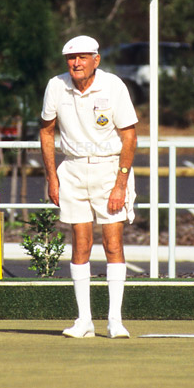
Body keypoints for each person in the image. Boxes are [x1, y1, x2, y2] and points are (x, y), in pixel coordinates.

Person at [40, 35, 138, 338]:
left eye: (83, 57)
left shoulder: (113, 86)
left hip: (109, 169)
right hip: (72, 168)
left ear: (96, 59)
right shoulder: (56, 86)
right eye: (71, 58)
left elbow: (130, 137)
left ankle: (114, 321)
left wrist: (121, 184)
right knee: (80, 243)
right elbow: (46, 131)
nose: (76, 63)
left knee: (112, 244)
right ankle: (84, 321)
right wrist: (51, 177)